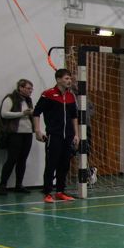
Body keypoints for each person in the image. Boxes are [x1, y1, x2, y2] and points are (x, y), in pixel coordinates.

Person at [33, 69, 79, 203]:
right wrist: (37, 131)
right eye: (66, 78)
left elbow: (74, 117)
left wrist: (76, 134)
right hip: (54, 135)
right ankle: (47, 192)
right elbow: (36, 112)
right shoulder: (48, 94)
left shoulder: (71, 96)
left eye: (70, 78)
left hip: (68, 136)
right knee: (51, 164)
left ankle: (60, 191)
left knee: (64, 165)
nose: (69, 81)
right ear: (58, 79)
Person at [0, 79, 35, 194]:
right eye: (28, 88)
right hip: (15, 134)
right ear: (21, 88)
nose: (30, 91)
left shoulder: (28, 100)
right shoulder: (10, 98)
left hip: (28, 133)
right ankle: (2, 185)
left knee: (22, 160)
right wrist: (23, 113)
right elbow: (4, 114)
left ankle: (19, 185)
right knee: (11, 159)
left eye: (31, 89)